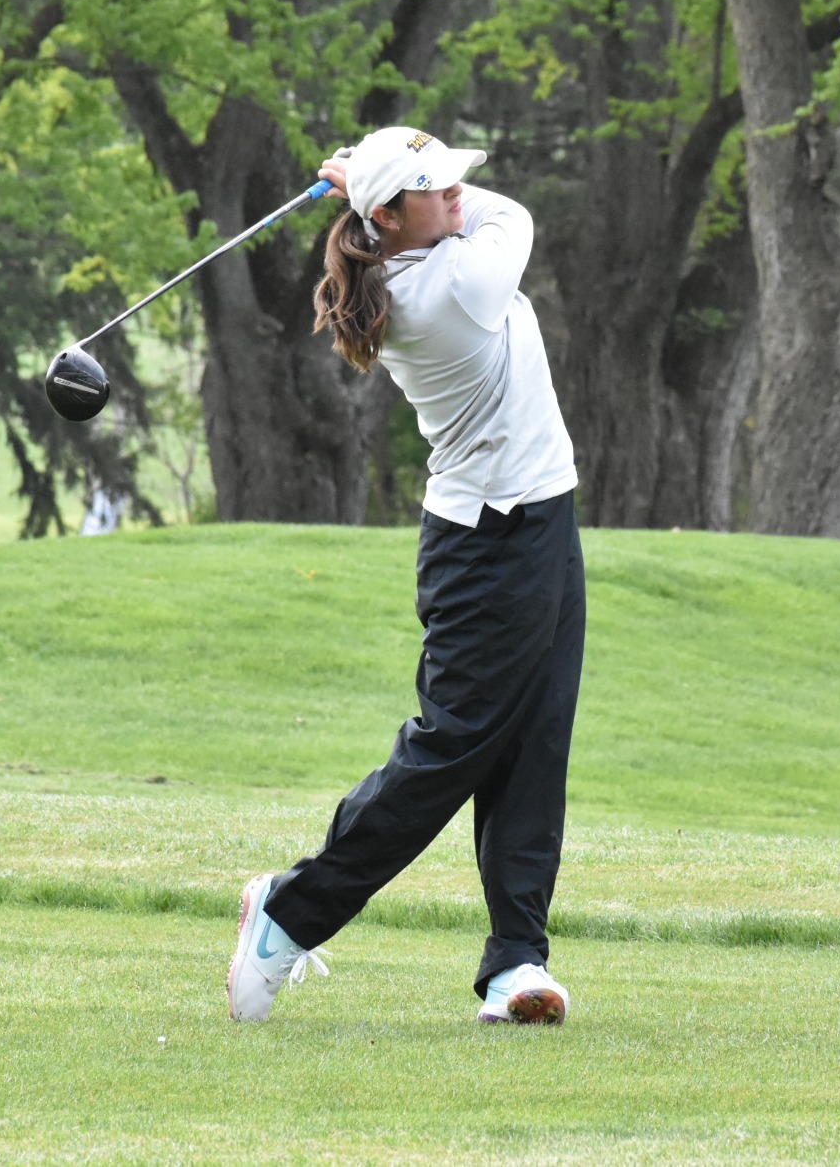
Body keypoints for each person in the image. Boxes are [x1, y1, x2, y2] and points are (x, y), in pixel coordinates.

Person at [226, 127, 585, 1026]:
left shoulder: (415, 254)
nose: (459, 194)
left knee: (534, 741)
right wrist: (358, 180)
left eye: (452, 181)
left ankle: (516, 963)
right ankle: (288, 910)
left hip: (539, 515)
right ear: (389, 217)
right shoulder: (454, 284)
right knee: (451, 750)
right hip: (487, 546)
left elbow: (457, 208)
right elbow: (517, 212)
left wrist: (368, 183)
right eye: (435, 189)